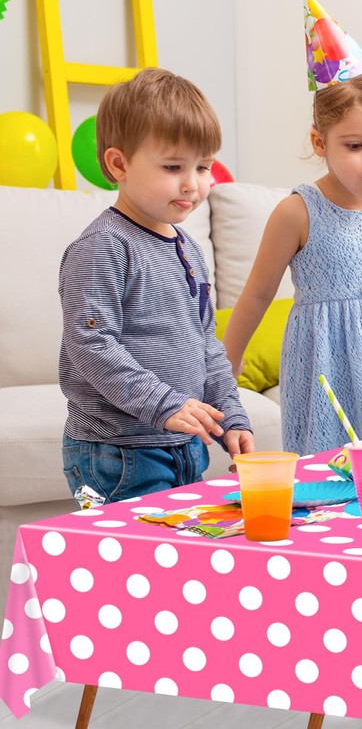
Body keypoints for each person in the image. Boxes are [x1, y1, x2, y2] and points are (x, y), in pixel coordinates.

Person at [59, 67, 255, 504]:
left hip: (183, 443)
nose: (193, 183)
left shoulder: (187, 247)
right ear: (118, 164)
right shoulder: (104, 246)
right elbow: (90, 343)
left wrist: (232, 419)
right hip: (119, 452)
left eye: (203, 166)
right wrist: (165, 405)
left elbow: (206, 344)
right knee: (131, 563)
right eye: (173, 166)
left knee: (179, 558)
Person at [223, 69, 362, 454]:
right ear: (319, 142)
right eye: (353, 146)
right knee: (330, 466)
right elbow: (257, 294)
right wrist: (225, 363)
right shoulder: (297, 213)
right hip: (328, 358)